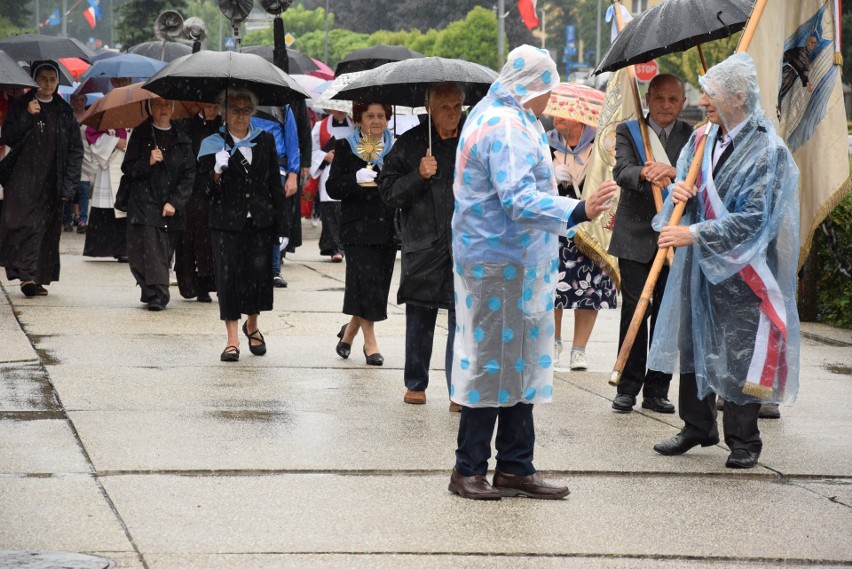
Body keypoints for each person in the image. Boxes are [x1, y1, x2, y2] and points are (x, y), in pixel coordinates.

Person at [448, 45, 617, 500]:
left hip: (514, 262)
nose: (552, 100)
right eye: (549, 88)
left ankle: (516, 466)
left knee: (519, 366)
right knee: (491, 366)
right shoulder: (503, 124)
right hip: (497, 263)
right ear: (533, 85)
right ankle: (468, 469)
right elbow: (518, 200)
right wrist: (578, 207)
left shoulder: (505, 114)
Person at [648, 53, 800, 469]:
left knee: (738, 351)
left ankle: (744, 441)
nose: (703, 100)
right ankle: (696, 426)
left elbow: (755, 218)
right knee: (693, 342)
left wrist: (693, 232)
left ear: (737, 97)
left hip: (743, 268)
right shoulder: (701, 140)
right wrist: (683, 196)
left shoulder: (768, 149)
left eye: (711, 93)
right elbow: (690, 188)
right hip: (699, 266)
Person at [609, 74, 692, 414]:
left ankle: (657, 389)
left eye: (673, 100)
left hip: (673, 234)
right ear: (647, 98)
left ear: (682, 103)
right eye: (659, 99)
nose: (666, 106)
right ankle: (627, 386)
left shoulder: (693, 136)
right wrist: (645, 173)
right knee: (634, 311)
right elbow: (622, 171)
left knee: (665, 313)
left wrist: (670, 172)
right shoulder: (629, 131)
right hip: (634, 236)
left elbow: (696, 177)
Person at [379, 82, 464, 409]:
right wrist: (418, 174)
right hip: (422, 243)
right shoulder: (410, 143)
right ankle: (416, 383)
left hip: (464, 244)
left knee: (462, 318)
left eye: (457, 106)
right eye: (445, 107)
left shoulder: (471, 141)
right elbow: (388, 193)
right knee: (420, 316)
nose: (453, 114)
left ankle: (459, 389)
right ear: (429, 107)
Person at [199, 88, 286, 362]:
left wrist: (282, 225)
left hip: (260, 220)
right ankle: (233, 338)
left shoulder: (266, 140)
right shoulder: (213, 143)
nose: (240, 115)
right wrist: (215, 171)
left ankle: (253, 324)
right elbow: (201, 190)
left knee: (257, 278)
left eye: (245, 109)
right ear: (223, 111)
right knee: (229, 279)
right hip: (226, 223)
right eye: (234, 109)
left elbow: (275, 184)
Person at [0, 61, 82, 297]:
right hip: (23, 178)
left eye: (52, 79)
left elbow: (76, 149)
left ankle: (37, 276)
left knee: (46, 230)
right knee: (22, 224)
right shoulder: (22, 106)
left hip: (52, 180)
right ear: (34, 81)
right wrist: (27, 116)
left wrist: (70, 184)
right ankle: (26, 274)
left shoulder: (64, 111)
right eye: (42, 79)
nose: (47, 84)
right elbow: (9, 137)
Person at [326, 101, 396, 367]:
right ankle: (371, 342)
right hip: (356, 227)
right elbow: (333, 187)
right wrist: (354, 178)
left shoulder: (394, 149)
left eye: (381, 115)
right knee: (364, 283)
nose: (376, 121)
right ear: (359, 119)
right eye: (370, 116)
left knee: (377, 286)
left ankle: (349, 333)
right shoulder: (346, 146)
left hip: (387, 225)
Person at [548, 115, 617, 371]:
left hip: (591, 228)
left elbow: (611, 178)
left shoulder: (599, 145)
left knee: (588, 288)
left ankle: (579, 350)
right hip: (557, 226)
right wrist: (551, 175)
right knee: (553, 288)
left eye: (562, 116)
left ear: (578, 121)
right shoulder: (546, 144)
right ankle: (553, 343)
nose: (555, 119)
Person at [120, 98, 194, 311]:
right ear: (150, 108)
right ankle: (153, 292)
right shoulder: (140, 134)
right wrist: (147, 160)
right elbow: (129, 168)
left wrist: (175, 202)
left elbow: (189, 174)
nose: (162, 108)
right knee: (139, 252)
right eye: (157, 104)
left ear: (172, 108)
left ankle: (158, 293)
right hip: (143, 201)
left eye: (166, 104)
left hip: (169, 204)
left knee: (159, 250)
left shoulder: (182, 138)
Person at [174, 102, 221, 302]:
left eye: (216, 105)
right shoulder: (187, 125)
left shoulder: (222, 128)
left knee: (209, 242)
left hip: (213, 190)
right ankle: (188, 282)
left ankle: (207, 284)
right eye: (209, 105)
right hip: (190, 188)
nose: (212, 109)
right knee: (186, 239)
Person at [250, 105, 299, 289]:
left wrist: (293, 173)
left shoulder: (282, 104)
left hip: (276, 166)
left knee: (273, 219)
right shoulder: (240, 93)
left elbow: (292, 139)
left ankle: (273, 270)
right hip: (246, 162)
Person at [310, 108, 355, 262]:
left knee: (348, 210)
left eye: (343, 109)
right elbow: (312, 149)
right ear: (330, 108)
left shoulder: (355, 125)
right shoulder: (319, 126)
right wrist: (324, 156)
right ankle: (334, 248)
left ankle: (346, 245)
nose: (340, 113)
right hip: (328, 171)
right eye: (337, 110)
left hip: (349, 172)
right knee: (330, 212)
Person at [83, 125, 129, 262]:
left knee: (127, 209)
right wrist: (115, 142)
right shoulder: (106, 114)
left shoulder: (135, 111)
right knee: (109, 207)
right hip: (110, 166)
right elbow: (92, 135)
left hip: (128, 164)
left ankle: (126, 249)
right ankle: (111, 248)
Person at [64, 93, 93, 234]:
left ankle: (83, 220)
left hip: (87, 156)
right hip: (71, 156)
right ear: (71, 100)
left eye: (82, 100)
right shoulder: (67, 116)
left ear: (86, 101)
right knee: (70, 191)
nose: (79, 103)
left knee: (83, 190)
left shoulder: (91, 116)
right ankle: (68, 219)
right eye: (76, 99)